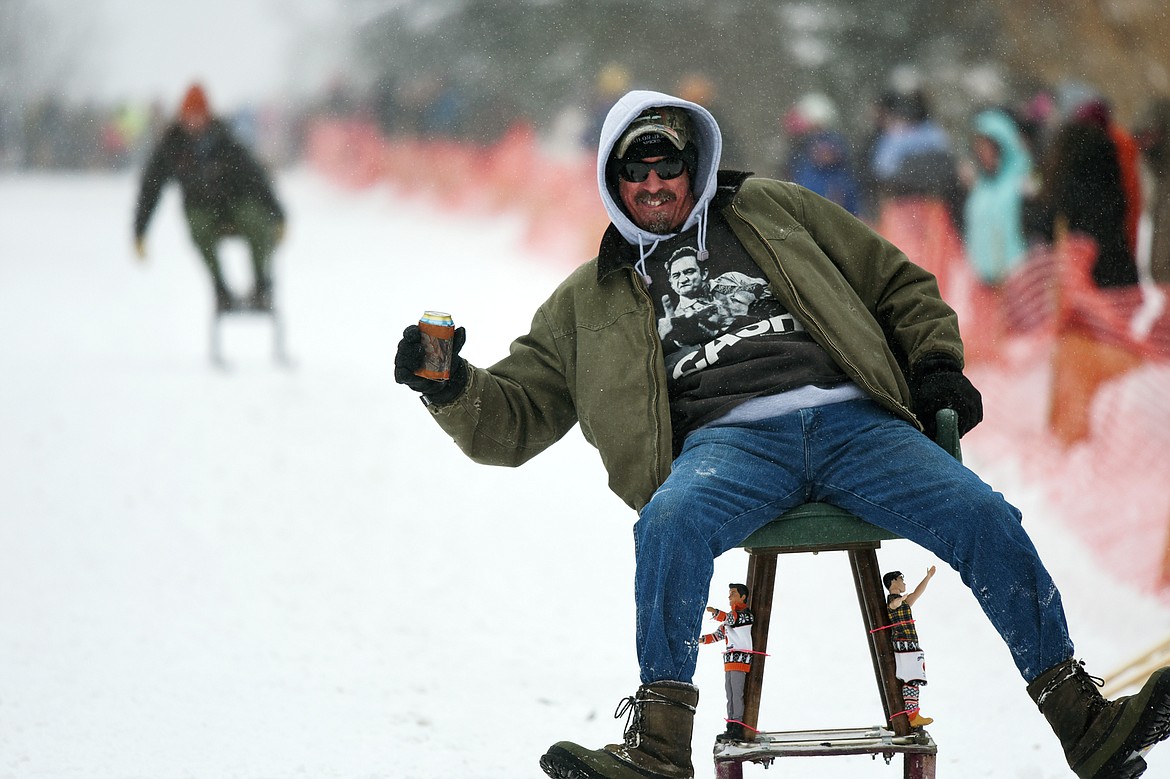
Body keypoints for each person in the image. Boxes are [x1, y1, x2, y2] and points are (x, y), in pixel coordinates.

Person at [393, 90, 1170, 779]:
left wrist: (935, 366)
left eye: (670, 166)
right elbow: (515, 415)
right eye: (638, 171)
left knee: (986, 516)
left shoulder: (771, 209)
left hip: (854, 422)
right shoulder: (587, 299)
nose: (656, 184)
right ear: (614, 180)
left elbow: (895, 280)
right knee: (668, 520)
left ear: (694, 168)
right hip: (729, 448)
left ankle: (1085, 722)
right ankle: (659, 750)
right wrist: (451, 384)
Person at [133, 83, 286, 312]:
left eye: (199, 115)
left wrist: (278, 215)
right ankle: (221, 289)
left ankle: (261, 286)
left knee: (256, 221)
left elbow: (255, 177)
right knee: (197, 226)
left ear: (207, 115)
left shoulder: (225, 140)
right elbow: (150, 188)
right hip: (201, 208)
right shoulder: (172, 145)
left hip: (234, 202)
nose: (194, 121)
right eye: (189, 116)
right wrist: (140, 231)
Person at [962, 109, 1034, 286]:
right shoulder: (980, 187)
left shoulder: (1023, 180)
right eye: (979, 146)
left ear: (1002, 146)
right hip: (983, 285)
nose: (982, 153)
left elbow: (1037, 227)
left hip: (1018, 283)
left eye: (988, 146)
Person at [700, 583, 755, 743]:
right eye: (729, 593)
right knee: (730, 694)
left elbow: (731, 619)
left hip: (740, 660)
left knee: (737, 694)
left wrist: (716, 613)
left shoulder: (745, 615)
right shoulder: (730, 619)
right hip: (730, 661)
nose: (730, 597)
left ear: (743, 596)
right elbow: (718, 635)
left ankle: (737, 725)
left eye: (733, 593)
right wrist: (702, 640)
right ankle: (731, 724)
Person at [883, 568, 936, 728]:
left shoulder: (904, 602)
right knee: (911, 678)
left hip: (910, 645)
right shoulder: (894, 601)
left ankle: (914, 713)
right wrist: (901, 599)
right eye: (901, 579)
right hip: (904, 645)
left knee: (914, 678)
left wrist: (927, 578)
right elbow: (893, 604)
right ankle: (912, 715)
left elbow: (916, 593)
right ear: (894, 582)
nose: (904, 582)